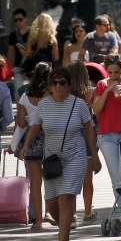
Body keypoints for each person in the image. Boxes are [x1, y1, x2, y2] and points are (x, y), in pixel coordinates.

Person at [19, 65, 100, 241]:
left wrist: (94, 157)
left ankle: (63, 238)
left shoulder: (78, 104)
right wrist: (26, 146)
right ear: (50, 86)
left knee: (65, 199)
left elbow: (89, 132)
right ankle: (63, 226)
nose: (58, 86)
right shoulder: (44, 105)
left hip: (75, 156)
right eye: (54, 83)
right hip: (52, 159)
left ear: (69, 85)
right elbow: (34, 128)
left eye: (62, 83)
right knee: (52, 203)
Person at [92, 55, 121, 222]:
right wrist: (106, 90)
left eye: (117, 73)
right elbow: (96, 110)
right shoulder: (101, 84)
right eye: (110, 73)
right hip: (106, 135)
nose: (113, 77)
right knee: (115, 176)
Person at [15, 59, 51, 230]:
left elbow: (21, 123)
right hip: (50, 137)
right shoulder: (50, 94)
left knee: (35, 182)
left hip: (31, 138)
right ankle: (51, 214)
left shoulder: (25, 95)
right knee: (53, 179)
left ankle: (38, 221)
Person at [68, 60, 98, 225]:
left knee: (70, 175)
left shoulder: (64, 93)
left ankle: (72, 215)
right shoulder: (91, 92)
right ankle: (87, 212)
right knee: (88, 177)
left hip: (70, 133)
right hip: (88, 134)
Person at [7, 8, 30, 93]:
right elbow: (10, 52)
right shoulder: (13, 35)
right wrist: (9, 67)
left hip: (31, 67)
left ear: (26, 19)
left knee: (32, 93)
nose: (18, 22)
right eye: (16, 20)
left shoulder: (33, 33)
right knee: (18, 93)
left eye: (20, 19)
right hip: (18, 67)